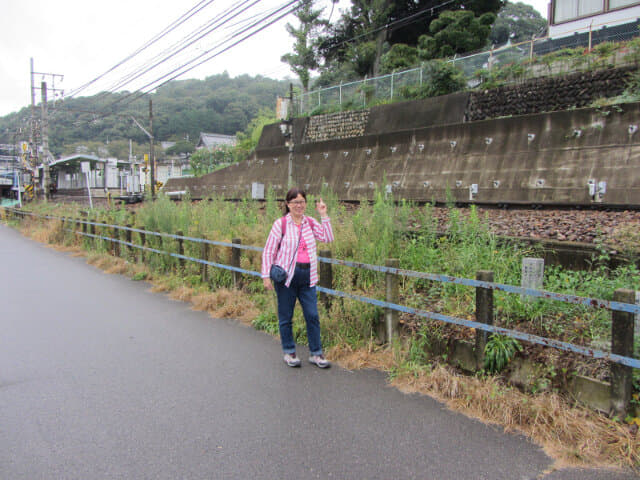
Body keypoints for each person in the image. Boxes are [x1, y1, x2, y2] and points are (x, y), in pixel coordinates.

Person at [262, 187, 334, 368]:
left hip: (308, 277)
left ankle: (316, 354)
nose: (299, 205)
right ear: (288, 204)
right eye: (295, 202)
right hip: (286, 277)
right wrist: (266, 276)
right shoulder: (281, 224)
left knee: (312, 315)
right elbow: (269, 251)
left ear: (306, 204)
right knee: (286, 316)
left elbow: (328, 237)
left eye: (302, 202)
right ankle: (289, 352)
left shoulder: (310, 222)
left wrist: (324, 215)